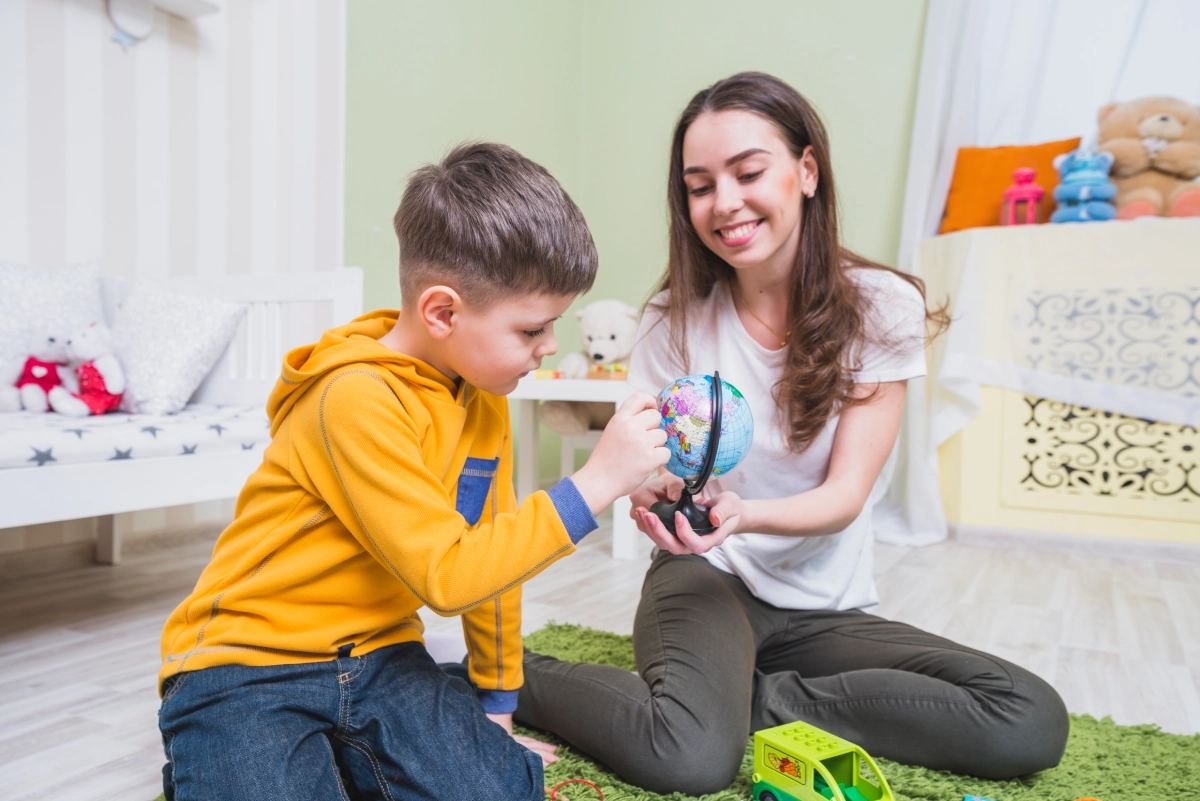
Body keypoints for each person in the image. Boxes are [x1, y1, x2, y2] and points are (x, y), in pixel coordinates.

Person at [516, 73, 1070, 795]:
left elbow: (845, 495)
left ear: (807, 172)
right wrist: (650, 490)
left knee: (1028, 716)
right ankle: (514, 672)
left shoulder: (882, 307)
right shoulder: (670, 319)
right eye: (700, 185)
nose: (726, 204)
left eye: (749, 173)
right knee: (688, 757)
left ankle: (743, 699)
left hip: (821, 605)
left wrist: (748, 513)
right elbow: (647, 468)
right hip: (705, 576)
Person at [156, 142, 669, 801]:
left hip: (380, 656)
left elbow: (494, 567)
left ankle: (378, 733)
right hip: (247, 663)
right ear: (442, 312)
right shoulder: (353, 397)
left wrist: (497, 704)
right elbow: (450, 574)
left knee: (505, 786)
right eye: (532, 330)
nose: (549, 348)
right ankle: (217, 746)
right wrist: (596, 481)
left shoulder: (483, 402)